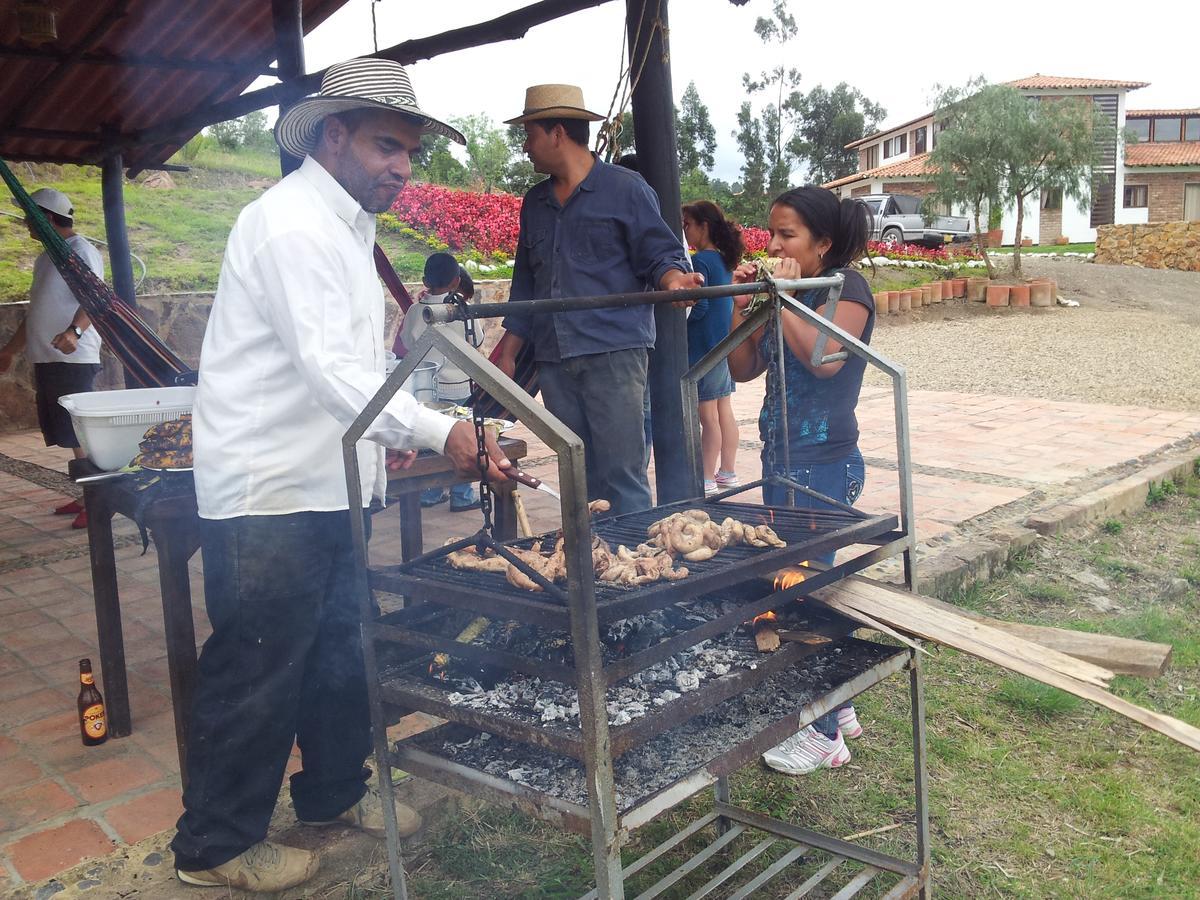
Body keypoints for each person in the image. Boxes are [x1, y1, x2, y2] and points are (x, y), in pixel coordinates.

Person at [174, 58, 512, 893]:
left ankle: (331, 798)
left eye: (409, 152)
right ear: (333, 136)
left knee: (338, 648)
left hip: (330, 482)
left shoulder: (346, 230)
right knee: (258, 666)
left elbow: (354, 371)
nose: (402, 167)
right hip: (271, 491)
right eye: (386, 146)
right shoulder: (289, 225)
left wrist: (378, 442)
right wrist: (442, 429)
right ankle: (215, 848)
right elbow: (331, 371)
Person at [493, 84, 702, 516]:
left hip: (614, 351)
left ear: (556, 134)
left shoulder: (626, 189)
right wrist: (508, 352)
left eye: (529, 135)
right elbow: (525, 282)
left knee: (621, 475)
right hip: (554, 357)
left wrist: (676, 280)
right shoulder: (535, 202)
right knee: (577, 473)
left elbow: (660, 253)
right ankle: (591, 570)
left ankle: (635, 572)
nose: (525, 147)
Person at [727, 185, 874, 775]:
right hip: (779, 459)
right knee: (810, 583)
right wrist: (745, 305)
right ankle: (841, 709)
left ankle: (818, 733)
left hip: (824, 462)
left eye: (787, 235)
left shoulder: (847, 289)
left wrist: (782, 297)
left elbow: (826, 357)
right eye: (772, 233)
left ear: (824, 243)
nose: (774, 245)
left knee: (803, 591)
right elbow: (741, 367)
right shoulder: (786, 294)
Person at [0, 188, 104, 530]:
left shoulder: (79, 250)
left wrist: (74, 332)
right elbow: (37, 312)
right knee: (65, 431)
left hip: (73, 359)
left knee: (79, 435)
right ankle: (88, 493)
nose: (26, 223)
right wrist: (11, 350)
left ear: (45, 217)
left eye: (30, 216)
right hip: (49, 359)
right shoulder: (46, 258)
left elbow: (96, 299)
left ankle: (100, 498)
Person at [398, 254, 482, 511]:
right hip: (460, 388)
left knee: (434, 441)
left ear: (424, 280)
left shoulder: (415, 311)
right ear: (457, 281)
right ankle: (462, 495)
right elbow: (476, 340)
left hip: (428, 390)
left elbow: (406, 341)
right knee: (462, 440)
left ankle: (431, 493)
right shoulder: (463, 310)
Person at [682, 200, 743, 495]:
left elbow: (700, 306)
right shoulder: (722, 259)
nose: (685, 231)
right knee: (723, 410)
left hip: (704, 347)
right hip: (724, 344)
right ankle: (727, 471)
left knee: (707, 415)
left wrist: (680, 327)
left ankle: (705, 477)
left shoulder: (700, 262)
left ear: (703, 226)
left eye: (688, 226)